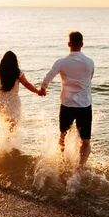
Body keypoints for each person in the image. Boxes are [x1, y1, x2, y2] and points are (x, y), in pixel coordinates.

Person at [39, 31, 94, 170]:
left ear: (68, 44)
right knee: (85, 141)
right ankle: (80, 169)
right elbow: (90, 78)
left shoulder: (61, 62)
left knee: (63, 136)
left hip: (67, 104)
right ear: (82, 44)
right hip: (84, 105)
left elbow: (48, 78)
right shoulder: (89, 62)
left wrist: (43, 89)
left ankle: (63, 163)